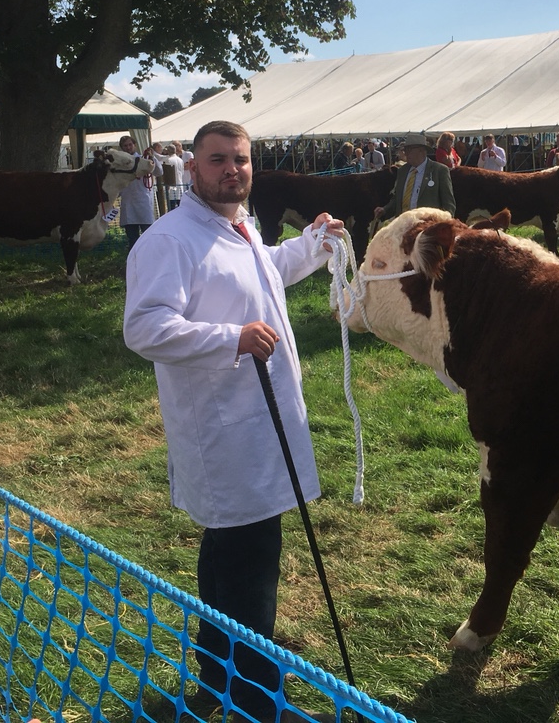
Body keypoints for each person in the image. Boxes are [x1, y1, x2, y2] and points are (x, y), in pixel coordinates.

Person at [123, 121, 345, 722]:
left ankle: (215, 683)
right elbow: (144, 327)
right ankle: (258, 706)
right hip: (227, 437)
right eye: (218, 160)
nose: (232, 170)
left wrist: (315, 244)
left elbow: (264, 271)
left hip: (260, 426)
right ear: (191, 168)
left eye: (241, 160)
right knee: (250, 578)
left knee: (226, 559)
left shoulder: (236, 228)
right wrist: (232, 338)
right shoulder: (170, 241)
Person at [375, 134, 456, 222]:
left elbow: (448, 203)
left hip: (427, 227)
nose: (405, 153)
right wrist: (385, 210)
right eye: (405, 150)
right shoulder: (402, 171)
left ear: (421, 150)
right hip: (403, 225)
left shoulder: (439, 170)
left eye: (409, 150)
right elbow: (397, 198)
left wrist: (446, 225)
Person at [116, 135, 162, 249]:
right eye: (125, 146)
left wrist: (153, 158)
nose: (128, 148)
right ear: (122, 148)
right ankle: (134, 264)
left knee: (148, 236)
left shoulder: (144, 160)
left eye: (130, 145)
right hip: (128, 204)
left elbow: (159, 172)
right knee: (132, 240)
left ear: (135, 145)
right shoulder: (119, 164)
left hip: (143, 203)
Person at [160, 145, 185, 210]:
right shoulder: (180, 160)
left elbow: (166, 175)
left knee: (172, 208)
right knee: (180, 207)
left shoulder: (168, 160)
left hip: (171, 186)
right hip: (179, 184)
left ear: (168, 151)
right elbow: (182, 172)